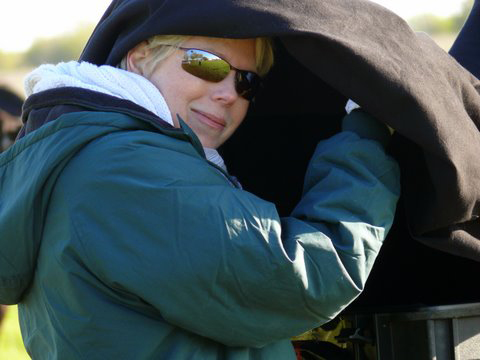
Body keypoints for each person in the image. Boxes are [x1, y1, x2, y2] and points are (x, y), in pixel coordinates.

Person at [1, 0, 478, 358]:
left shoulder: (88, 151)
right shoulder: (128, 173)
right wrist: (365, 131)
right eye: (206, 64)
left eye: (247, 82)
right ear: (139, 56)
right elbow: (310, 273)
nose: (229, 93)